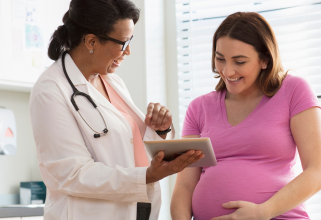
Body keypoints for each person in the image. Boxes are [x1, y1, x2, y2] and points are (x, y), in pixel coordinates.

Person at [29, 0, 203, 219]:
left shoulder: (113, 82)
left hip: (139, 207)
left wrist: (159, 131)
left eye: (130, 40)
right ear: (91, 41)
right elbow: (71, 174)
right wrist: (147, 176)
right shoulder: (51, 89)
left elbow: (130, 148)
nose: (128, 51)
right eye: (122, 42)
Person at [171, 12, 321, 220]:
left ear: (264, 60)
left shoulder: (294, 90)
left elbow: (317, 173)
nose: (227, 71)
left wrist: (263, 212)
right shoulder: (199, 108)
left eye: (240, 61)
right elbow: (184, 186)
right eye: (220, 59)